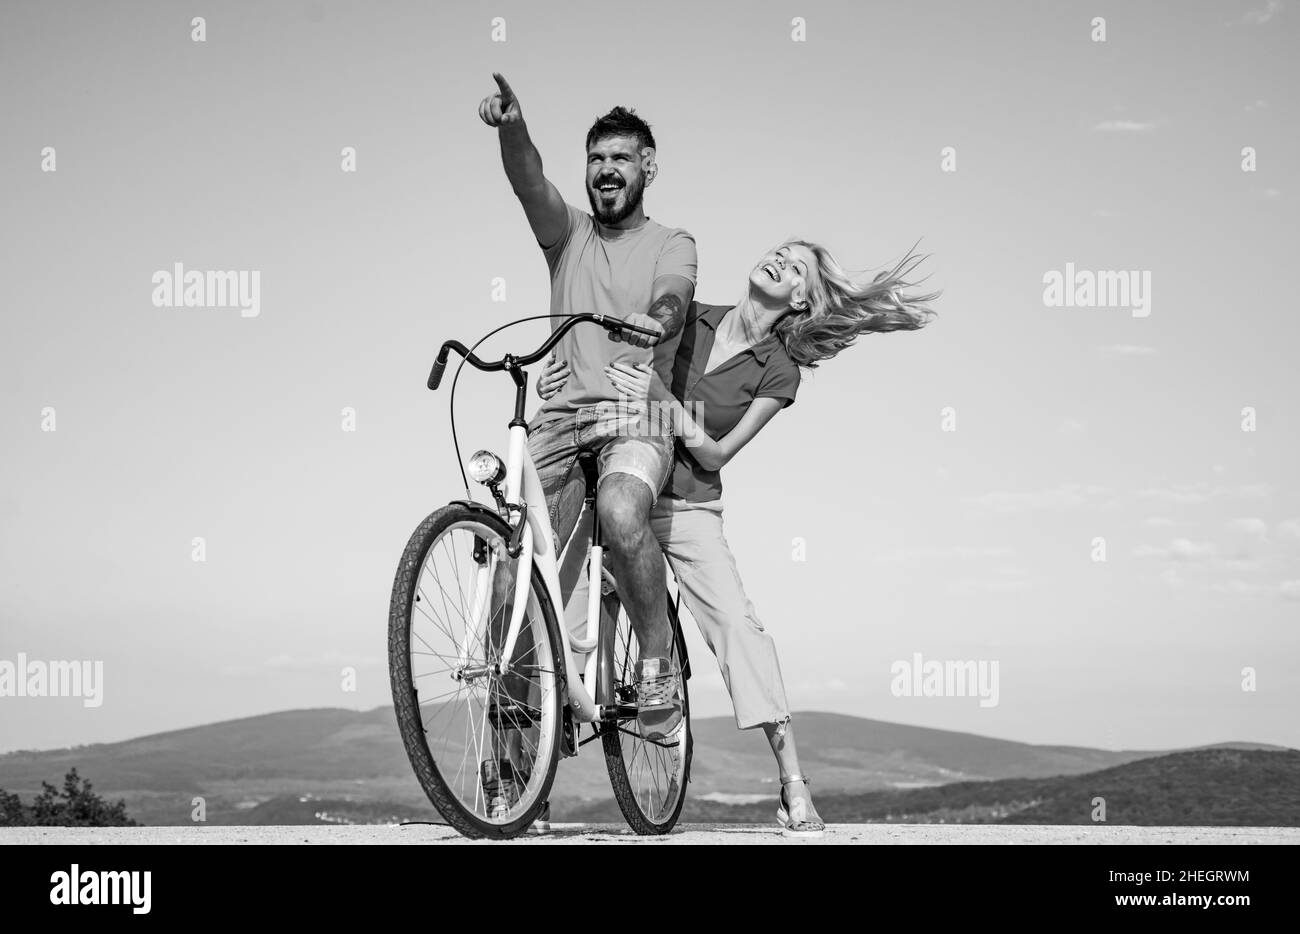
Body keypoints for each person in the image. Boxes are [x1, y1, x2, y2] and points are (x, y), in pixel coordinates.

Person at [539, 239, 938, 836]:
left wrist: (668, 407)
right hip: (619, 482)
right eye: (780, 250)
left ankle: (792, 785)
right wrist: (566, 374)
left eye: (796, 266)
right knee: (559, 624)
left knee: (736, 625)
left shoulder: (779, 370)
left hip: (688, 505)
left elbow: (718, 451)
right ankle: (535, 781)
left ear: (802, 298)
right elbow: (611, 363)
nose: (780, 260)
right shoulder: (690, 314)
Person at [476, 73, 697, 822]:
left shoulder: (673, 241)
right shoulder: (565, 234)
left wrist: (655, 324)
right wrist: (513, 127)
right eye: (597, 158)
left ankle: (659, 667)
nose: (606, 170)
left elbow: (672, 296)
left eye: (621, 159)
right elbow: (526, 178)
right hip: (561, 422)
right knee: (510, 565)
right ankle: (516, 769)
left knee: (622, 507)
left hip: (635, 418)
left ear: (648, 167)